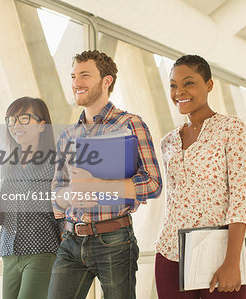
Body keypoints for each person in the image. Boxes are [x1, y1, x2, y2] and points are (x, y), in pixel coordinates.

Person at [47, 50, 162, 299]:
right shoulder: (67, 135)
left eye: (85, 75)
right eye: (73, 76)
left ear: (106, 80)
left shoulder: (130, 124)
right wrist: (70, 196)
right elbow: (56, 198)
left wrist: (98, 186)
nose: (76, 82)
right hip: (70, 240)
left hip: (115, 241)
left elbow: (153, 183)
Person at [155, 55, 246, 298]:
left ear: (209, 85)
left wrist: (232, 262)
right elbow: (171, 202)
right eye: (173, 85)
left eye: (189, 83)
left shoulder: (231, 128)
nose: (179, 92)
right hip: (170, 254)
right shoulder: (168, 142)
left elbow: (240, 199)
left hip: (220, 252)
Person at [0, 97, 62, 299]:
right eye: (11, 120)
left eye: (23, 118)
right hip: (9, 251)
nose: (15, 125)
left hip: (41, 249)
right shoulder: (7, 164)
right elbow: (8, 205)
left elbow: (63, 209)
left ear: (41, 125)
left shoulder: (55, 162)